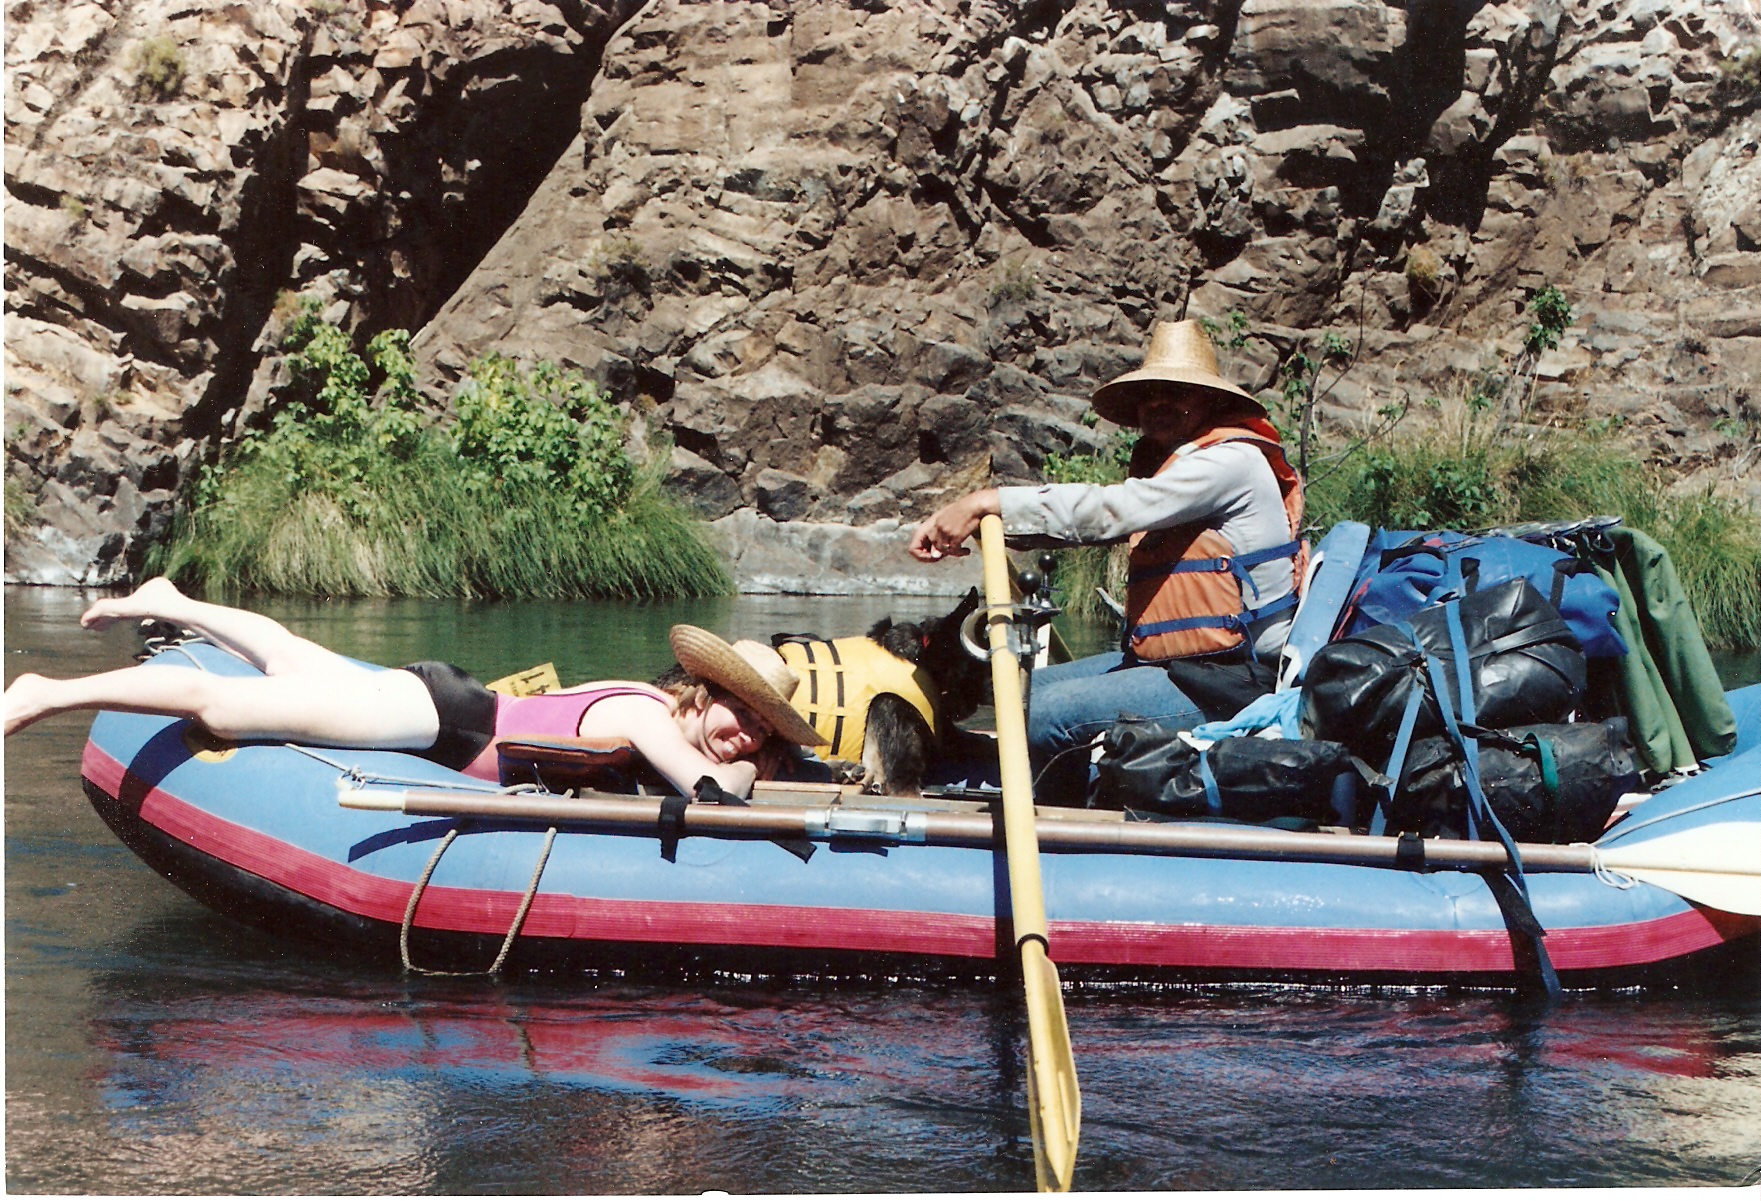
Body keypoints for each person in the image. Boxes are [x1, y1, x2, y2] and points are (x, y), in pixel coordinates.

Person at [907, 319, 1306, 795]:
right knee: (1019, 694)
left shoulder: (1229, 462)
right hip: (1179, 667)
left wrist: (988, 502)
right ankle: (1037, 792)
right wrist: (993, 526)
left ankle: (1060, 820)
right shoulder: (1178, 464)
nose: (1156, 404)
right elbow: (1089, 530)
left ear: (1212, 402)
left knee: (1043, 713)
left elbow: (1112, 510)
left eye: (1174, 392)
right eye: (1148, 393)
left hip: (1228, 680)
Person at [2, 577, 827, 799]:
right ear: (698, 690)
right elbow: (713, 793)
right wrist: (752, 773)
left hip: (449, 706)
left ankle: (168, 602)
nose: (746, 735)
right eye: (740, 712)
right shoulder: (646, 718)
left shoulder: (659, 713)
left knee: (290, 658)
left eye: (763, 729)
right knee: (223, 707)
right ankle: (46, 690)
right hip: (443, 720)